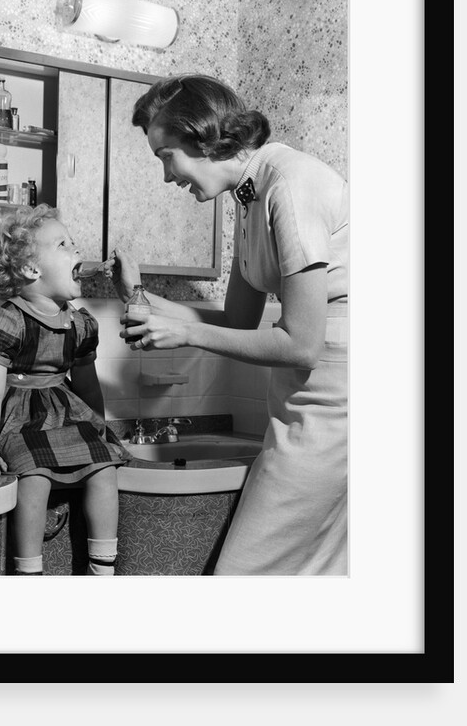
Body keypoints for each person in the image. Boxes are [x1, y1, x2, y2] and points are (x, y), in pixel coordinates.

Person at [111, 74, 348, 576]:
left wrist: (187, 334)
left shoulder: (290, 184)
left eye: (165, 155)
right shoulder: (250, 194)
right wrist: (139, 294)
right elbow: (238, 321)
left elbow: (302, 344)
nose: (166, 176)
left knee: (245, 573)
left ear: (202, 137)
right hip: (302, 402)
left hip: (341, 402)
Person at [0, 204, 130, 576]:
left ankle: (103, 567)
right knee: (33, 471)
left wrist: (101, 428)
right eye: (64, 244)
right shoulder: (8, 319)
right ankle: (29, 569)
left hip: (61, 406)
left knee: (104, 465)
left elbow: (87, 385)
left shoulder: (81, 323)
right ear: (32, 270)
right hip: (15, 412)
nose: (77, 250)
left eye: (74, 242)